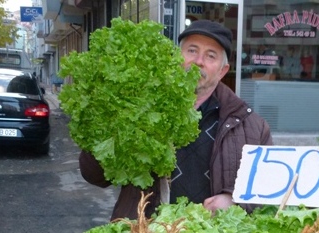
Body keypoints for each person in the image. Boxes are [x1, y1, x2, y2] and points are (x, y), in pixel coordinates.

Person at [79, 20, 273, 220]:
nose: (199, 61)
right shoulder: (140, 108)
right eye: (192, 50)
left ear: (223, 70)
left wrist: (235, 201)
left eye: (210, 55)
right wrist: (108, 125)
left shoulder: (251, 126)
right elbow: (94, 176)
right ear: (176, 57)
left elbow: (270, 189)